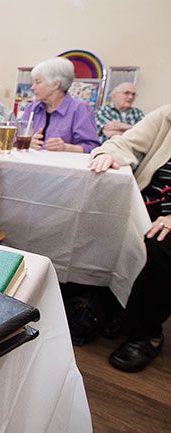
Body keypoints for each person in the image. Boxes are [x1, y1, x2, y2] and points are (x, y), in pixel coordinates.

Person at [89, 104, 171, 372]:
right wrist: (109, 153)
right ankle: (109, 307)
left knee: (160, 247)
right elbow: (124, 143)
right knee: (99, 217)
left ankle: (146, 333)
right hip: (149, 201)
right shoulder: (166, 115)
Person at [22, 57, 100, 153]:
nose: (32, 87)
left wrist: (66, 148)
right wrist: (26, 143)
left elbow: (92, 148)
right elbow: (14, 140)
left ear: (55, 84)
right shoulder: (31, 109)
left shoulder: (79, 109)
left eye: (38, 82)